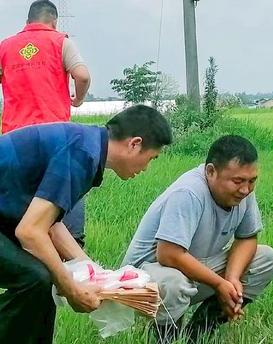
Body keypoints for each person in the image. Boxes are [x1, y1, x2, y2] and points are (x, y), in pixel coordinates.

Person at [0, 104, 172, 344]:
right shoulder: (83, 153)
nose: (146, 168)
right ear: (134, 144)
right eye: (151, 158)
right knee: (34, 278)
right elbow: (30, 232)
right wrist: (72, 289)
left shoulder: (86, 145)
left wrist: (94, 271)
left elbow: (49, 224)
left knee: (46, 276)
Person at [122, 135, 273, 343]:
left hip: (191, 267)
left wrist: (231, 279)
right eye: (238, 181)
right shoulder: (188, 193)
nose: (245, 189)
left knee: (266, 259)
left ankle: (199, 332)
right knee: (174, 282)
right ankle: (165, 338)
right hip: (142, 278)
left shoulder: (243, 192)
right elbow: (168, 254)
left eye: (252, 181)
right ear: (211, 171)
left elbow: (247, 238)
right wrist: (219, 284)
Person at [0, 0, 91, 244]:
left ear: (27, 22)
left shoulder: (6, 47)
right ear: (54, 21)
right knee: (65, 191)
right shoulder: (61, 42)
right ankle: (73, 260)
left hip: (14, 142)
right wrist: (77, 100)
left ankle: (27, 267)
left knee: (24, 215)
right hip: (55, 138)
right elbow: (82, 75)